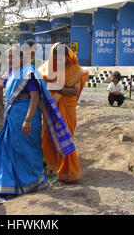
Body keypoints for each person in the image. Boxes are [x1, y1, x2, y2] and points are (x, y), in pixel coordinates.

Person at [0, 46, 76, 195]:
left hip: (26, 115)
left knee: (28, 150)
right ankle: (12, 183)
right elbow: (2, 84)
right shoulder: (13, 73)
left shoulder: (29, 73)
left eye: (11, 57)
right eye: (8, 57)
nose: (8, 60)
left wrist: (28, 120)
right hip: (12, 116)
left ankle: (32, 181)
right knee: (10, 148)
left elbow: (35, 97)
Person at [38, 43, 88, 183]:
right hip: (49, 110)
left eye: (60, 59)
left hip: (66, 108)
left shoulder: (75, 70)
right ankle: (51, 168)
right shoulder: (46, 69)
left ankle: (67, 171)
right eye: (54, 59)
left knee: (65, 138)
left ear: (67, 57)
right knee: (46, 137)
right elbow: (41, 85)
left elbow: (75, 91)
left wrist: (57, 87)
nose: (57, 62)